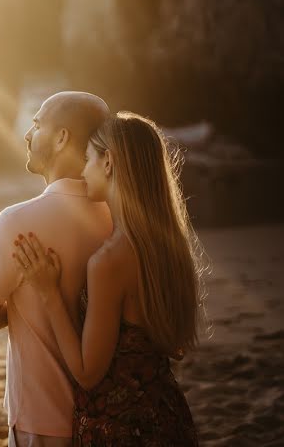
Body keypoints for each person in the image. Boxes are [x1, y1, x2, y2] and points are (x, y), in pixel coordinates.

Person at [11, 111, 207, 445]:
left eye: (88, 159)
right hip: (168, 414)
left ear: (108, 162)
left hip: (121, 428)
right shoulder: (166, 245)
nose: (82, 171)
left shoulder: (109, 260)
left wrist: (49, 293)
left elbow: (88, 374)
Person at [0, 91, 113, 446]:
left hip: (42, 417)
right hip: (109, 415)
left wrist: (16, 308)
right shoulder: (117, 217)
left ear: (62, 138)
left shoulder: (17, 222)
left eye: (36, 123)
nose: (28, 135)